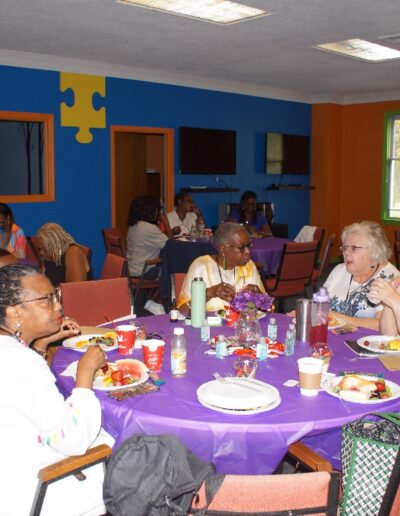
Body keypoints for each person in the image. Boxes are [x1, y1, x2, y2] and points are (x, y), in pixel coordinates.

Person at [0, 263, 112, 515]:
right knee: (135, 442)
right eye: (46, 300)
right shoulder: (18, 362)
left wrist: (40, 342)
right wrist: (85, 373)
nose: (58, 306)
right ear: (15, 313)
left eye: (55, 296)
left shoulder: (11, 351)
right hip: (40, 490)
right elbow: (73, 441)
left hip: (12, 464)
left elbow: (24, 395)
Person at [324, 221, 398, 330]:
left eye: (354, 248)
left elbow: (381, 325)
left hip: (366, 343)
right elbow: (319, 305)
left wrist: (339, 318)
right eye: (345, 247)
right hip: (332, 337)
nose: (346, 253)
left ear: (374, 251)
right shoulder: (339, 270)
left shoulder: (391, 279)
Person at [177, 222, 265, 312]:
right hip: (208, 325)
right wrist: (209, 293)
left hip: (242, 325)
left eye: (248, 245)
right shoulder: (201, 266)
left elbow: (269, 310)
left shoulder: (249, 266)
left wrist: (260, 297)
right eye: (241, 247)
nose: (247, 251)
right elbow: (182, 310)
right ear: (222, 248)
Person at [126, 196, 168, 278]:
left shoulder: (133, 226)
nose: (158, 212)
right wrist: (166, 222)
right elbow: (170, 245)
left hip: (131, 271)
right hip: (144, 272)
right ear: (149, 211)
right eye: (156, 209)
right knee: (172, 268)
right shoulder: (148, 228)